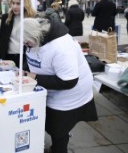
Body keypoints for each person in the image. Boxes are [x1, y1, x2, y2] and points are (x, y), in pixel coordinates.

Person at [23, 17, 98, 153]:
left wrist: (35, 77)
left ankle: (59, 149)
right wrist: (25, 70)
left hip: (70, 94)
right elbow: (33, 58)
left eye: (27, 43)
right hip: (51, 90)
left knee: (58, 128)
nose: (26, 46)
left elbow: (68, 81)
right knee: (51, 124)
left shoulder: (61, 46)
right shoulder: (34, 41)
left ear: (35, 35)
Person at [0, 0, 36, 69]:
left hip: (26, 58)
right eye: (13, 3)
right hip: (8, 58)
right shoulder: (6, 18)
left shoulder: (33, 19)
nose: (14, 6)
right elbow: (1, 38)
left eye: (18, 3)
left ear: (26, 4)